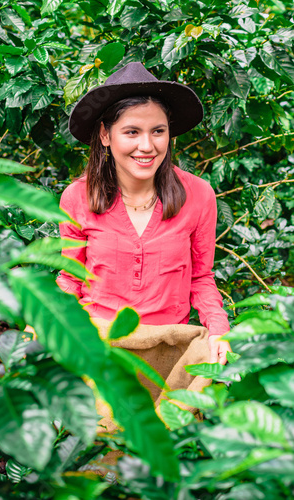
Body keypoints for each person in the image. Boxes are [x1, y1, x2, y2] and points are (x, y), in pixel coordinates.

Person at [56, 62, 231, 367]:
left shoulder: (199, 196)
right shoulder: (77, 198)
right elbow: (71, 278)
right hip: (97, 348)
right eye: (132, 132)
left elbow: (201, 278)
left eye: (158, 131)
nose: (146, 146)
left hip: (169, 350)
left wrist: (218, 329)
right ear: (105, 135)